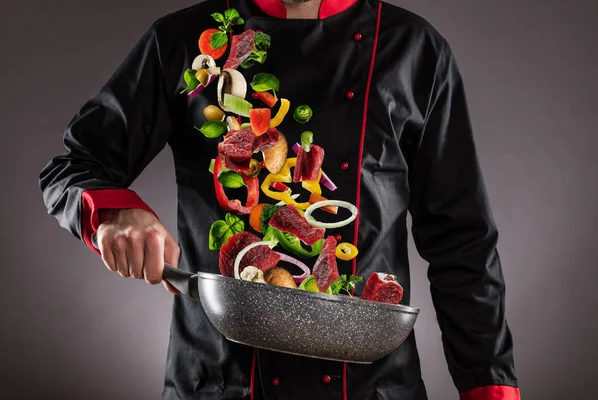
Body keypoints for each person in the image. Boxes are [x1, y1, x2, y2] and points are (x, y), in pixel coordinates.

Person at [39, 0, 520, 398]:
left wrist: (490, 388)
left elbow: (462, 240)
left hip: (372, 387)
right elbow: (74, 165)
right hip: (221, 382)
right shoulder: (189, 40)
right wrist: (113, 211)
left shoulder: (415, 50)